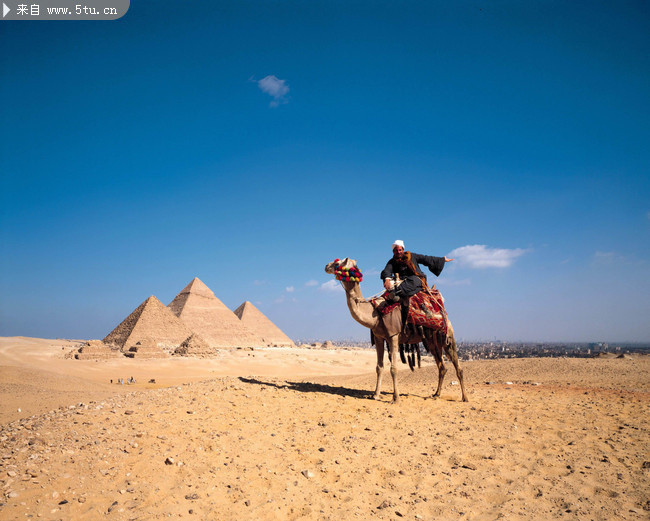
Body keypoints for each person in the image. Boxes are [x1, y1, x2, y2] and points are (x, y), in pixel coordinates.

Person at [381, 240, 454, 301]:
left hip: (415, 280)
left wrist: (442, 259)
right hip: (401, 282)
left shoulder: (412, 256)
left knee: (414, 280)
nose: (398, 252)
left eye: (400, 250)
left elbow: (426, 258)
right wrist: (387, 279)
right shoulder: (392, 261)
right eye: (396, 250)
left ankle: (395, 293)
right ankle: (396, 294)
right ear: (393, 251)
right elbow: (387, 270)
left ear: (403, 250)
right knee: (390, 282)